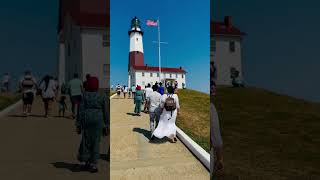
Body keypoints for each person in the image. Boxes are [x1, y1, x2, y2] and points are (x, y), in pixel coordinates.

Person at [76, 76, 107, 173]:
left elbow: (80, 110)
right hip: (98, 119)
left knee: (86, 140)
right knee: (96, 141)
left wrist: (78, 124)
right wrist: (107, 124)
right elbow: (105, 111)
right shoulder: (102, 96)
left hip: (87, 118)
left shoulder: (84, 95)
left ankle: (86, 162)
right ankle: (94, 164)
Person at [210, 61, 224, 175]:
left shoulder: (212, 83)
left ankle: (219, 159)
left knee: (215, 133)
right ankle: (218, 159)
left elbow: (213, 94)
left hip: (210, 107)